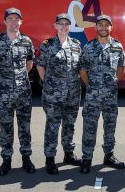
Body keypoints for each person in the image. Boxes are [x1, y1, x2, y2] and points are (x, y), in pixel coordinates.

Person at [0, 7, 36, 176]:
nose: (14, 22)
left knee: (25, 127)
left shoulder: (27, 41)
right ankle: (6, 160)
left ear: (21, 22)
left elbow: (29, 64)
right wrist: (2, 80)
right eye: (10, 19)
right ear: (5, 21)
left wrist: (20, 79)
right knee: (6, 127)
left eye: (17, 19)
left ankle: (26, 159)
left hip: (23, 93)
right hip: (4, 93)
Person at [79, 14, 125, 174]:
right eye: (100, 25)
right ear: (96, 27)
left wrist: (112, 82)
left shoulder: (117, 47)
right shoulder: (88, 47)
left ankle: (109, 155)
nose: (104, 28)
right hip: (92, 96)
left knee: (110, 127)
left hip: (110, 96)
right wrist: (90, 85)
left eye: (107, 25)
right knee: (89, 127)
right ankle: (87, 158)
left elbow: (121, 68)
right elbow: (82, 70)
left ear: (111, 27)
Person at [36, 13, 82, 175]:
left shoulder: (76, 44)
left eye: (66, 24)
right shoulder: (47, 45)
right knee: (52, 126)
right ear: (55, 26)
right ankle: (50, 158)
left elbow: (79, 68)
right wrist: (48, 83)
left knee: (70, 124)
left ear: (70, 27)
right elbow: (40, 66)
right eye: (60, 24)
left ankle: (68, 154)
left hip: (73, 93)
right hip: (53, 95)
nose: (63, 26)